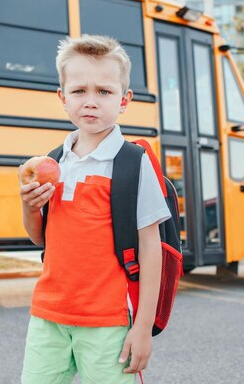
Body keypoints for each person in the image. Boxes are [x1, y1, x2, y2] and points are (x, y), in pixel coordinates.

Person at [19, 34, 171, 384]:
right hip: (47, 316)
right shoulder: (52, 162)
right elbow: (39, 238)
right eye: (79, 91)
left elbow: (151, 247)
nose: (90, 102)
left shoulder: (133, 162)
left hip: (108, 323)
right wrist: (28, 206)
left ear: (124, 100)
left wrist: (143, 327)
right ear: (62, 97)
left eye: (103, 91)